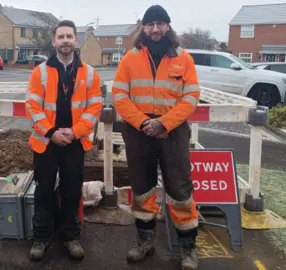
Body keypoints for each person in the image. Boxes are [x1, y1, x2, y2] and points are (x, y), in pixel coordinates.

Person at [112, 5, 201, 270]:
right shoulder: (129, 58)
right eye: (151, 24)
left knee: (180, 189)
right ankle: (145, 241)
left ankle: (188, 249)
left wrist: (164, 123)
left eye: (160, 24)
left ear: (168, 27)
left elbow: (191, 96)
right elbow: (119, 96)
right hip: (139, 132)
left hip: (172, 132)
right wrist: (143, 123)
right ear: (143, 28)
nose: (155, 29)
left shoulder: (184, 59)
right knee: (142, 188)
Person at [25, 20, 104, 262]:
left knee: (71, 191)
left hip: (74, 143)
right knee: (44, 191)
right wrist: (51, 132)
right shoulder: (40, 71)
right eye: (61, 37)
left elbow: (94, 107)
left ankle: (71, 236)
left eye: (69, 36)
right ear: (54, 42)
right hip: (46, 143)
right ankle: (41, 237)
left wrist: (75, 131)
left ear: (75, 40)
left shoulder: (89, 73)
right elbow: (33, 106)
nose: (65, 41)